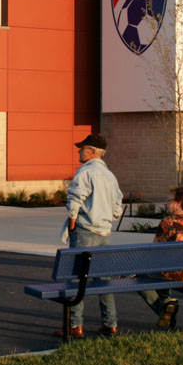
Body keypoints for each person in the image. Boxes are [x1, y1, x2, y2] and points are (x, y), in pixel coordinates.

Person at [61, 133, 123, 338]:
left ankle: (75, 325)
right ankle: (110, 324)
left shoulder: (85, 172)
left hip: (85, 231)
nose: (79, 151)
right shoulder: (110, 176)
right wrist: (108, 217)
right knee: (104, 280)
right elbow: (118, 206)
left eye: (82, 148)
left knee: (76, 278)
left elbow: (75, 198)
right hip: (104, 232)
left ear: (92, 151)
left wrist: (72, 221)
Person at [137, 186, 183, 329]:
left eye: (169, 200)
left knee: (138, 276)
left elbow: (155, 250)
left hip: (171, 273)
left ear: (178, 203)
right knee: (161, 269)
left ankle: (164, 306)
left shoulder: (168, 222)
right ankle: (167, 304)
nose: (166, 203)